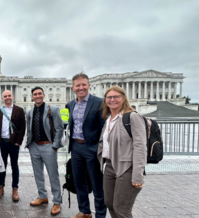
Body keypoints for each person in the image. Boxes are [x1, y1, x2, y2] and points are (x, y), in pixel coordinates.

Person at [98, 86, 146, 218]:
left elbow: (140, 146)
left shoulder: (132, 117)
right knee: (110, 203)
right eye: (109, 97)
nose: (112, 100)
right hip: (109, 166)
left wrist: (138, 174)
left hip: (127, 167)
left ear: (124, 98)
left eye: (116, 97)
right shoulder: (108, 118)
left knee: (122, 209)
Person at [67, 73, 106, 218]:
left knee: (97, 184)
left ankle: (100, 214)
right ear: (73, 88)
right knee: (79, 182)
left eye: (84, 85)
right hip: (76, 147)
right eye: (78, 85)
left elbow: (104, 128)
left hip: (92, 148)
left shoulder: (99, 102)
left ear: (89, 86)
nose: (81, 88)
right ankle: (85, 211)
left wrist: (99, 148)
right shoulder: (70, 104)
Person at [25, 87, 63, 216]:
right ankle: (42, 196)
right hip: (34, 146)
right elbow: (29, 130)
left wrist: (55, 146)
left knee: (53, 174)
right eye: (35, 94)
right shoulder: (29, 112)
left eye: (39, 94)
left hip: (48, 145)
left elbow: (59, 128)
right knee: (38, 174)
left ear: (44, 95)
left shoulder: (53, 109)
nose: (37, 96)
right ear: (32, 96)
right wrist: (29, 144)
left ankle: (57, 201)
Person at [0, 90, 26, 202]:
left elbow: (23, 127)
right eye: (5, 96)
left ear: (12, 96)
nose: (7, 98)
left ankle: (15, 188)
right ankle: (1, 186)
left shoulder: (19, 110)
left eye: (9, 96)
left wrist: (18, 141)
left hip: (13, 143)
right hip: (2, 142)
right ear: (2, 98)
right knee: (2, 166)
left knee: (14, 166)